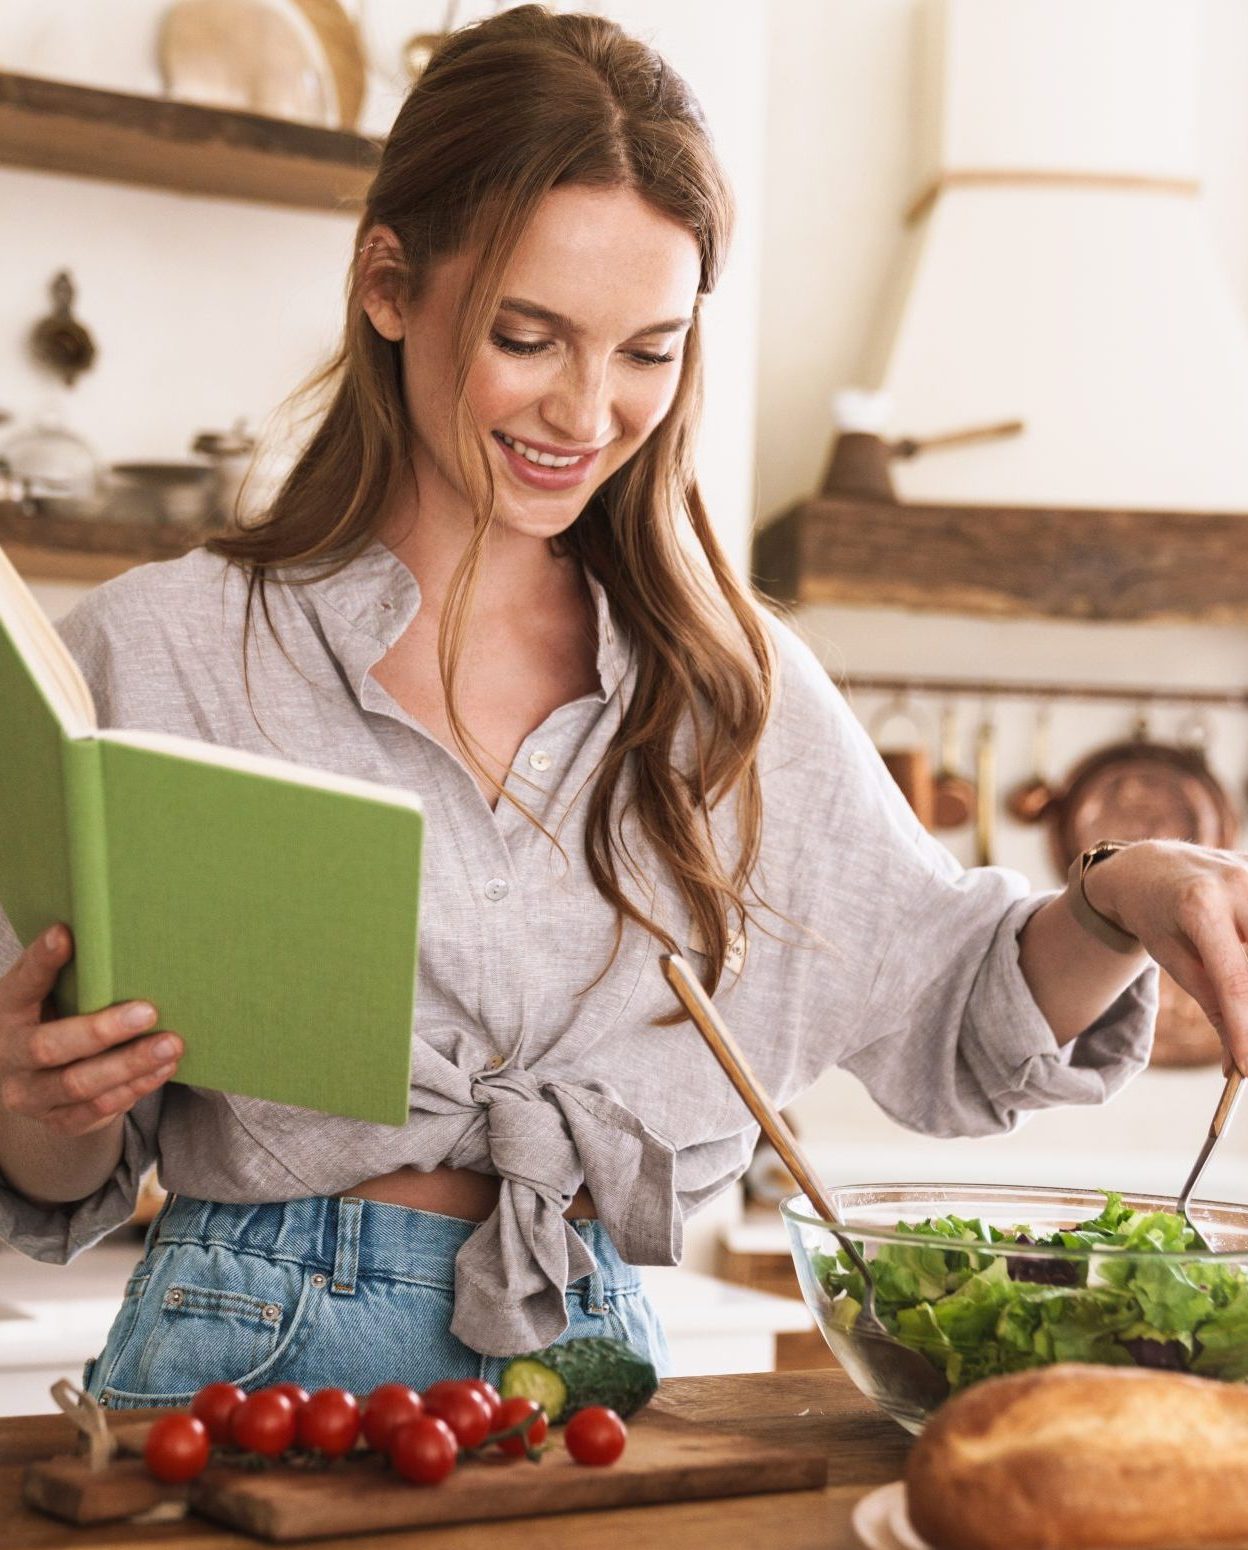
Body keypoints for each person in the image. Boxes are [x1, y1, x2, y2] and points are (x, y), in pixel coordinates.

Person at [2, 5, 1248, 1408]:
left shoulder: (734, 692)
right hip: (237, 1369)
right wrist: (36, 1099)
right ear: (390, 283)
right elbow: (58, 1162)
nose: (587, 412)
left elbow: (958, 1011)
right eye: (529, 336)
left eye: (648, 349)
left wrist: (1110, 899)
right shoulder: (152, 651)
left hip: (585, 1384)